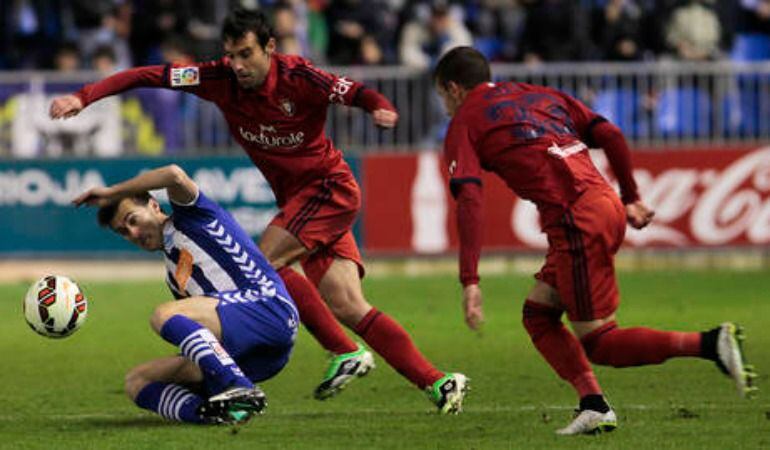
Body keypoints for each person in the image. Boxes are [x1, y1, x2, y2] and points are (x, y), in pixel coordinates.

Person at [51, 8, 467, 412]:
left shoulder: (299, 75)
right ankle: (438, 382)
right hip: (298, 203)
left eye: (246, 54)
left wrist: (378, 105)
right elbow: (147, 75)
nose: (237, 65)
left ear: (269, 47)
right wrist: (84, 96)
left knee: (260, 266)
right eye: (230, 55)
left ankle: (343, 350)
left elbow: (353, 90)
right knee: (347, 306)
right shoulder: (216, 78)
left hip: (327, 189)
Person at [432, 46, 757, 434]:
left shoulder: (465, 122)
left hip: (576, 220)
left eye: (442, 97)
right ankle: (592, 403)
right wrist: (632, 196)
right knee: (539, 314)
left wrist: (469, 280)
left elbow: (469, 198)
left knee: (601, 341)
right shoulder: (538, 93)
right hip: (602, 202)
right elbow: (610, 133)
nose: (445, 107)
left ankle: (709, 344)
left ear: (453, 89)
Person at [73, 164, 300, 425]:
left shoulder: (191, 216)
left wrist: (113, 191)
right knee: (137, 380)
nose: (133, 233)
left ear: (154, 206)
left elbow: (173, 174)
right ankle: (212, 415)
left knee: (163, 314)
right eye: (123, 232)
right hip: (251, 355)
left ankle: (238, 386)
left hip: (269, 309)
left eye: (133, 220)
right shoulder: (172, 274)